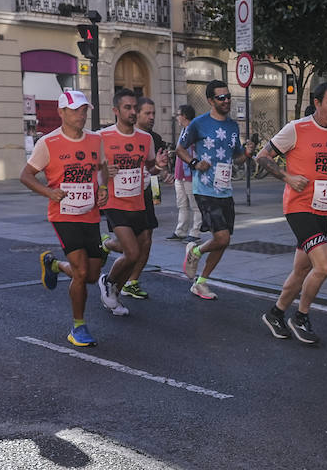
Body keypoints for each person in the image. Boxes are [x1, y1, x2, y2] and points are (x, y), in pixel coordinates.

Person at [255, 83, 327, 343]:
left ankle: (275, 313)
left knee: (301, 269)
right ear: (317, 102)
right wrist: (287, 177)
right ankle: (300, 316)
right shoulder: (296, 129)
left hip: (323, 209)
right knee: (324, 265)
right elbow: (263, 157)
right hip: (299, 208)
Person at [22, 89, 108, 347]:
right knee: (81, 273)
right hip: (63, 215)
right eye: (75, 110)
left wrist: (102, 188)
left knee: (92, 275)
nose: (81, 115)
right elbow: (25, 176)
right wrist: (49, 191)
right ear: (61, 112)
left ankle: (55, 266)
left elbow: (102, 168)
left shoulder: (95, 140)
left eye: (84, 110)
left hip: (90, 214)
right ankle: (78, 326)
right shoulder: (47, 143)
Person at [178, 80, 253, 299]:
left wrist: (247, 153)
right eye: (221, 98)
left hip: (225, 189)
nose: (226, 100)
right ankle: (195, 251)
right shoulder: (199, 124)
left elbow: (237, 158)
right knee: (222, 238)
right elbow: (180, 149)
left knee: (224, 239)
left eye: (228, 96)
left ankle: (201, 282)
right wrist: (194, 164)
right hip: (205, 188)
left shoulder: (232, 126)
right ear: (211, 101)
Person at [95, 88, 166, 316]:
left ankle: (114, 287)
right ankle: (108, 281)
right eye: (128, 107)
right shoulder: (102, 137)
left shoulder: (146, 139)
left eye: (135, 107)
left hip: (138, 200)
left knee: (142, 244)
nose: (133, 112)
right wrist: (106, 172)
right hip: (114, 202)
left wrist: (160, 165)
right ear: (116, 110)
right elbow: (93, 169)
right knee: (133, 252)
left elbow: (150, 167)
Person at [169, 103, 197, 240]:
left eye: (178, 115)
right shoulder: (184, 130)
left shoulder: (193, 130)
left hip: (190, 174)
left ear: (184, 116)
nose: (177, 118)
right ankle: (180, 231)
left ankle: (195, 232)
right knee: (182, 204)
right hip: (180, 174)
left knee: (194, 205)